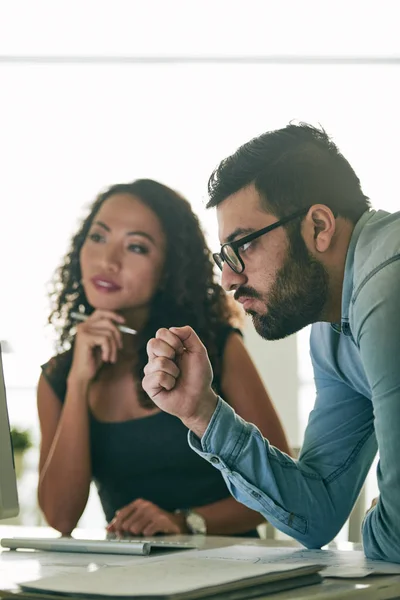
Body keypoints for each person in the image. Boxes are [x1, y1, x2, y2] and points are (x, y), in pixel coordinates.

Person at [142, 124, 400, 562]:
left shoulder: (387, 288)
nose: (228, 278)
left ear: (319, 226)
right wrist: (202, 412)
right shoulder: (332, 326)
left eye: (243, 245)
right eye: (224, 256)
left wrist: (386, 523)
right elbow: (317, 514)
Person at [37, 178, 291, 537]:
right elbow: (61, 519)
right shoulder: (58, 377)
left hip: (228, 569)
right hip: (128, 580)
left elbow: (283, 487)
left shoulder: (211, 349)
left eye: (136, 247)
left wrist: (184, 523)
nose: (107, 261)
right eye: (98, 237)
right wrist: (78, 383)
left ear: (169, 269)